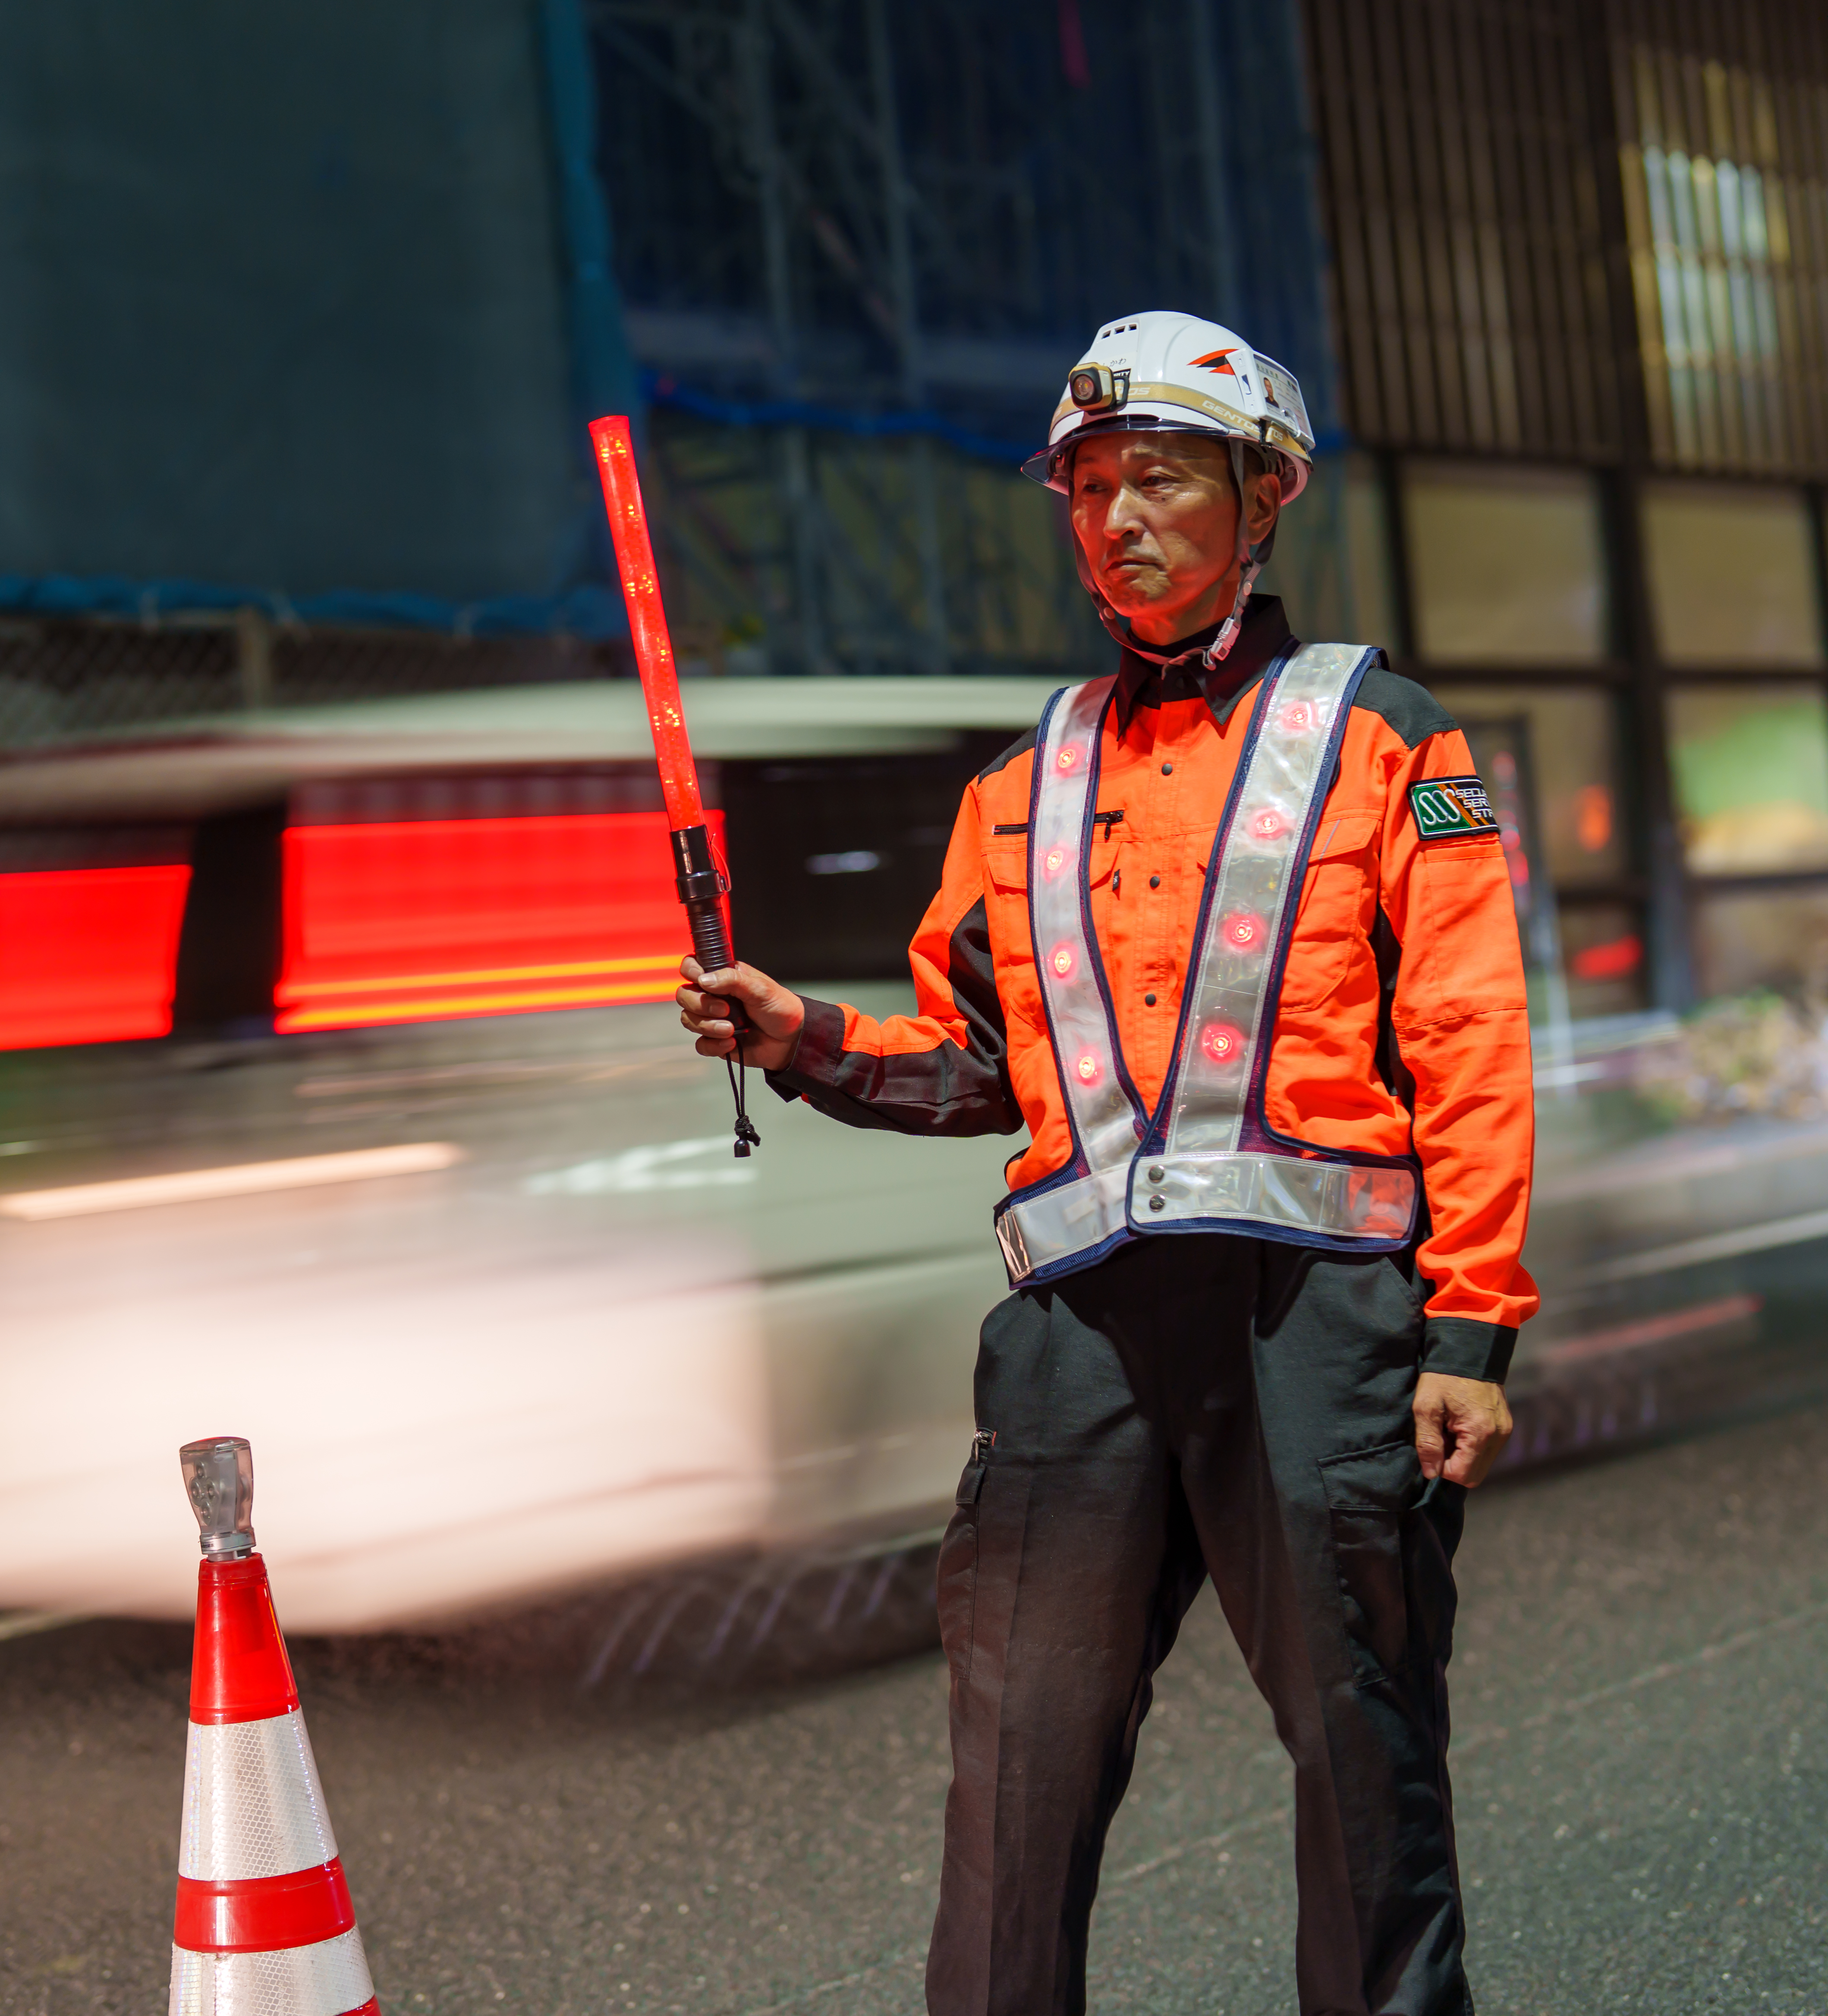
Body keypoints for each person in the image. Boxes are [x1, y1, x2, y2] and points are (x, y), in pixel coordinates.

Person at [676, 310, 1535, 2016]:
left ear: (1261, 496)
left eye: (1155, 479)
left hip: (1324, 1314)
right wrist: (805, 1037)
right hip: (1077, 1333)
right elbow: (982, 1064)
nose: (1114, 519)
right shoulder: (1020, 782)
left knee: (1363, 1769)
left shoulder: (1392, 738)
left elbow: (1469, 1033)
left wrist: (1472, 1328)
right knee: (1018, 1782)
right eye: (1085, 491)